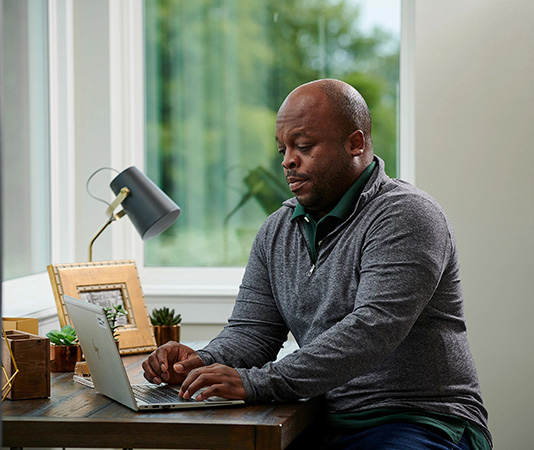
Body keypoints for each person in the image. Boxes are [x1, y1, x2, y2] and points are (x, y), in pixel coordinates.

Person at [142, 79, 492, 449]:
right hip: (318, 419)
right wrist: (198, 363)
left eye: (303, 146)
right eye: (283, 149)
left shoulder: (406, 215)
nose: (287, 161)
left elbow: (372, 330)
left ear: (355, 143)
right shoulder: (277, 230)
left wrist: (256, 382)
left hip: (416, 419)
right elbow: (253, 332)